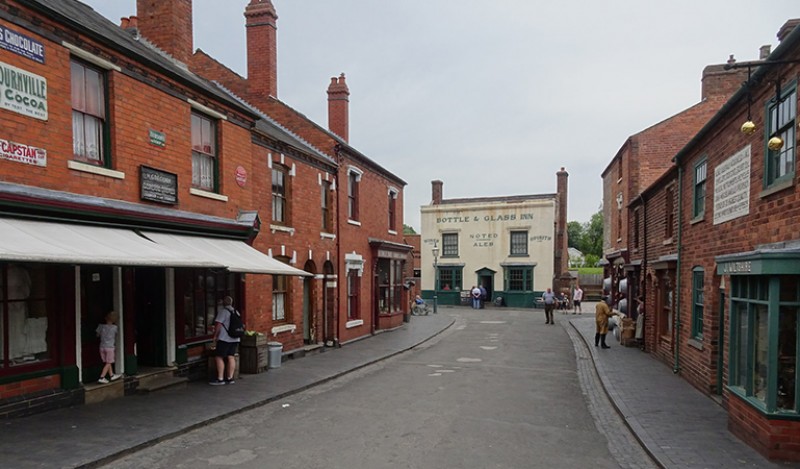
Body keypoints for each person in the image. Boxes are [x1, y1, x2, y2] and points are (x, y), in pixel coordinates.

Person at [210, 296, 241, 385]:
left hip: (224, 338)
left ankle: (220, 379)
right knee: (231, 356)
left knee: (219, 356)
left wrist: (215, 336)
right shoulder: (236, 312)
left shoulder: (223, 312)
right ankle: (230, 378)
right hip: (235, 338)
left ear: (223, 303)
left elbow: (218, 324)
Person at [96, 311, 122, 384]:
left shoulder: (100, 326)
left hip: (102, 347)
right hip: (110, 347)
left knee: (107, 362)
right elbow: (116, 335)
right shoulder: (115, 328)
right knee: (109, 362)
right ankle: (102, 377)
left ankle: (112, 375)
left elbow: (97, 335)